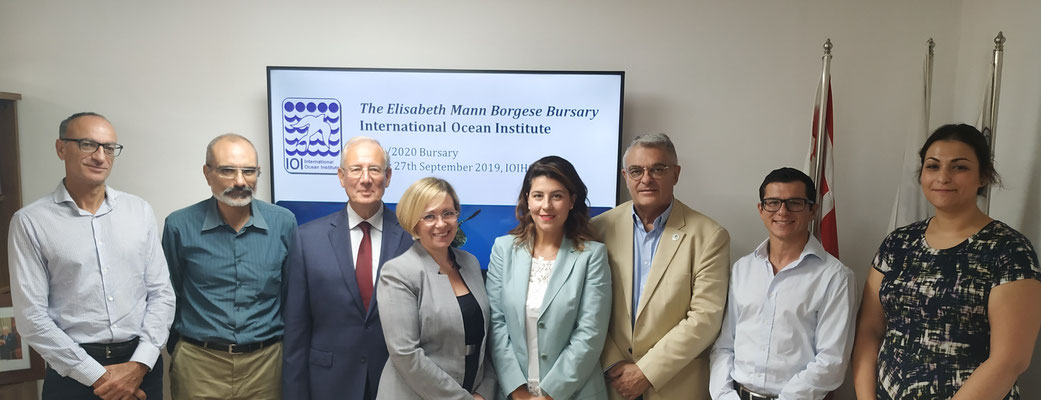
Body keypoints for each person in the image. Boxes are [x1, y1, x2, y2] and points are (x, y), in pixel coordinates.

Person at [852, 124, 1041, 399]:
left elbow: (1011, 360)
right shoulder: (899, 243)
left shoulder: (1009, 250)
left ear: (983, 175)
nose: (943, 177)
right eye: (933, 166)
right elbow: (869, 330)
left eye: (959, 167)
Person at [8, 112, 176, 400]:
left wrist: (138, 365)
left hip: (141, 365)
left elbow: (162, 294)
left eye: (109, 148)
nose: (101, 156)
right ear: (61, 148)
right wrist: (99, 376)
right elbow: (31, 317)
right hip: (72, 371)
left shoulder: (139, 211)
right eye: (88, 145)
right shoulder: (31, 222)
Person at [592, 133, 731, 400]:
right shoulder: (599, 229)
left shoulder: (710, 236)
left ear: (676, 174)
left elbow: (705, 319)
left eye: (658, 169)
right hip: (610, 385)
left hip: (674, 386)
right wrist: (614, 364)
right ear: (625, 176)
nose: (646, 179)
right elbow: (589, 309)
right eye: (636, 170)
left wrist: (645, 372)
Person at [162, 133, 298, 399]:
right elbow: (170, 294)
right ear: (207, 173)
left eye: (249, 171)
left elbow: (291, 295)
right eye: (227, 171)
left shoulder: (283, 223)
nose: (240, 181)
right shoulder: (179, 225)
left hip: (266, 364)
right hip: (200, 364)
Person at [283, 136, 414, 400]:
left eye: (374, 169)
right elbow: (296, 330)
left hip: (398, 383)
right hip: (329, 384)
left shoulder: (411, 237)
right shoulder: (307, 239)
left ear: (387, 177)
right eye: (356, 169)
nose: (365, 179)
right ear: (341, 177)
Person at [709, 167, 856, 400]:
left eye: (794, 203)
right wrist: (723, 395)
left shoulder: (835, 276)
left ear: (813, 211)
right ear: (761, 209)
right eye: (773, 203)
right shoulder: (742, 269)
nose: (782, 211)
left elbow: (832, 360)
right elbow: (725, 345)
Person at [487, 156, 612, 400]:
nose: (546, 206)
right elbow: (496, 324)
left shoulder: (592, 255)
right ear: (527, 199)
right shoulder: (503, 249)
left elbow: (590, 333)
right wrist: (518, 391)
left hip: (575, 392)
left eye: (557, 196)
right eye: (538, 196)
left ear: (572, 201)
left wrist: (550, 394)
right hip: (514, 392)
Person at [376, 177, 496, 400]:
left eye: (448, 213)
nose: (441, 224)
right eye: (429, 216)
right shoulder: (397, 273)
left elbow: (485, 340)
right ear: (414, 222)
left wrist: (484, 392)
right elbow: (405, 354)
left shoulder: (469, 263)